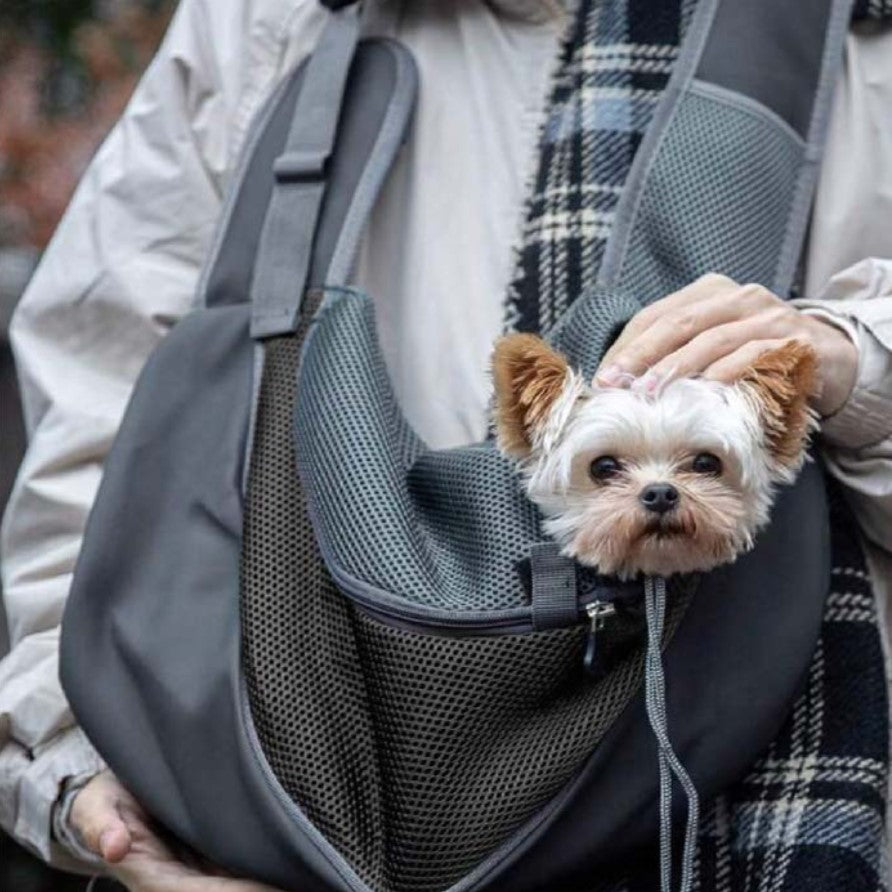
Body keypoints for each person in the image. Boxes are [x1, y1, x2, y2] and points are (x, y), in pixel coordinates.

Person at [1, 1, 890, 890]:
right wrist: (83, 759)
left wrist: (858, 362)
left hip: (786, 793)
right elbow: (100, 416)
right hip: (285, 810)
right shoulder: (270, 16)